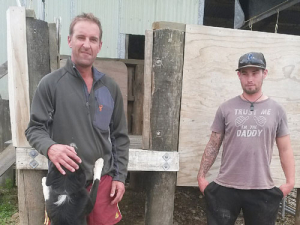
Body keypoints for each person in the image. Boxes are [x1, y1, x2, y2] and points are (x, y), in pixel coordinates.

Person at [25, 13, 129, 225]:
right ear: (70, 40)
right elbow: (35, 129)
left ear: (100, 45)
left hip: (103, 181)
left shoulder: (110, 87)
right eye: (81, 37)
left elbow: (119, 136)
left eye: (93, 40)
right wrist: (51, 148)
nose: (86, 45)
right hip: (65, 185)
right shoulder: (50, 84)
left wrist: (120, 177)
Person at [197, 52, 295, 225]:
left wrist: (290, 182)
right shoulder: (226, 108)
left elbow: (285, 148)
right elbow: (213, 144)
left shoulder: (276, 110)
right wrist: (201, 177)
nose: (250, 79)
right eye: (245, 73)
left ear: (264, 73)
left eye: (255, 73)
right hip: (225, 188)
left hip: (262, 189)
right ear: (239, 75)